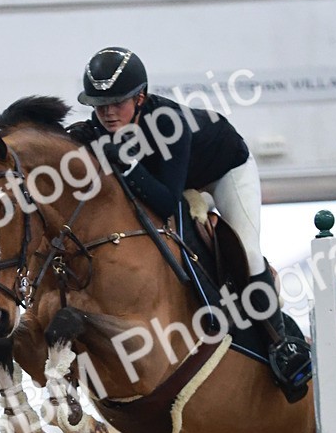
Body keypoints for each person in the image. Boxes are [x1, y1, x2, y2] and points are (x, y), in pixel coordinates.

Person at [68, 46, 312, 402]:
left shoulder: (168, 123)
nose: (106, 113)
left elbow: (168, 202)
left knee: (246, 249)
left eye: (116, 102)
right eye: (98, 104)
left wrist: (129, 166)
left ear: (141, 98)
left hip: (224, 169)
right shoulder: (97, 126)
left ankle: (281, 344)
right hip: (177, 179)